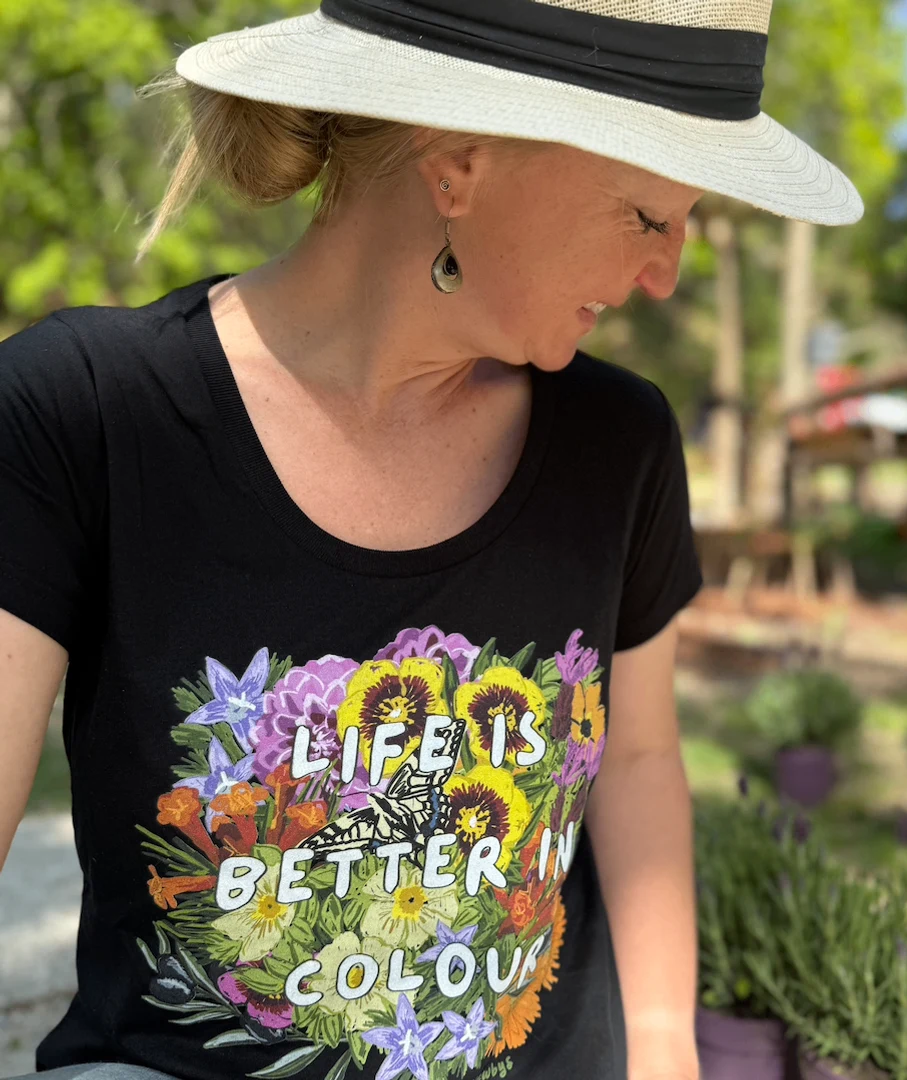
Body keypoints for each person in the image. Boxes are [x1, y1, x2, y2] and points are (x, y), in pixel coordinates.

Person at [0, 2, 862, 1079]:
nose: (665, 274)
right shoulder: (81, 413)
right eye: (647, 215)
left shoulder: (620, 444)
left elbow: (639, 757)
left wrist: (660, 1046)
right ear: (457, 168)